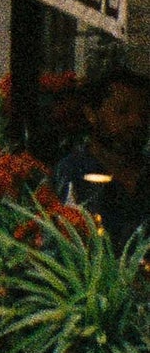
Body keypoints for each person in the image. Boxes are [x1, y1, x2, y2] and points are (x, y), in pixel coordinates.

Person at [54, 69, 150, 245]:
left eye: (143, 114)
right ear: (91, 114)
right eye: (122, 112)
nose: (135, 122)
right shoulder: (74, 171)